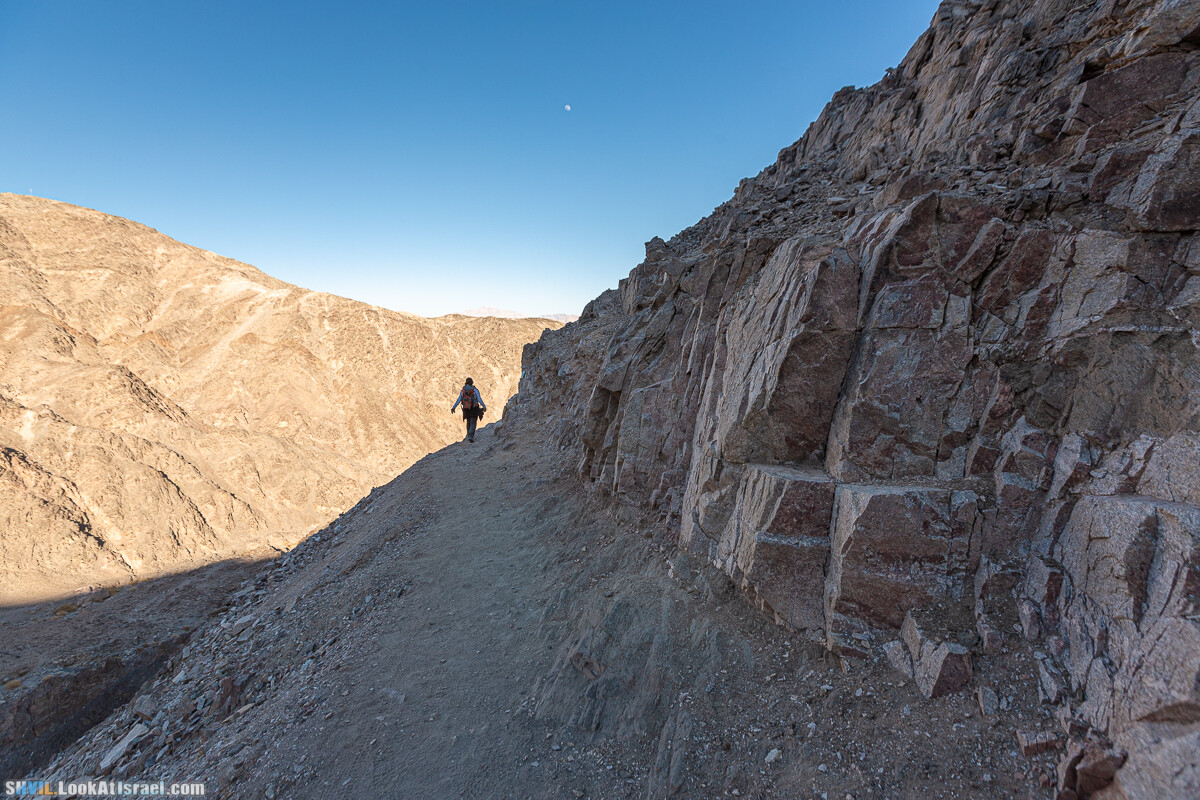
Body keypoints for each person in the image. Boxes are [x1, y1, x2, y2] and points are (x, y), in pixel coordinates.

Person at [450, 377, 487, 443]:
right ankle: (470, 436)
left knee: (468, 422)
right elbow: (479, 399)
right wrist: (484, 406)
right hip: (474, 408)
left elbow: (459, 399)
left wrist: (454, 407)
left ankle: (468, 435)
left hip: (465, 409)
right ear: (472, 382)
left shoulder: (463, 391)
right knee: (473, 422)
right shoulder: (475, 390)